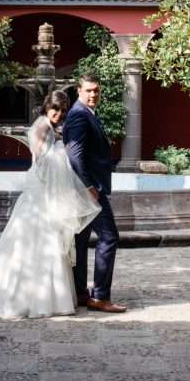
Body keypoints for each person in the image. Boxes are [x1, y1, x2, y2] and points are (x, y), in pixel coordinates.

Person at [0, 90, 101, 319]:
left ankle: (47, 296)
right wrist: (61, 157)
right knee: (35, 236)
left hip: (43, 185)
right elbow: (39, 160)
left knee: (47, 237)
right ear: (47, 107)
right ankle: (32, 298)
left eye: (63, 110)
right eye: (56, 109)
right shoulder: (43, 126)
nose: (59, 114)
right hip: (40, 188)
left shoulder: (48, 126)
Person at [63, 73, 127, 313]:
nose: (93, 95)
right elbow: (74, 155)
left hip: (84, 189)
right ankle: (100, 296)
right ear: (78, 91)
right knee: (110, 237)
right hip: (89, 191)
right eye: (88, 90)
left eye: (96, 90)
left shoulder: (87, 113)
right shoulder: (80, 114)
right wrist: (90, 187)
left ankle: (80, 292)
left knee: (80, 240)